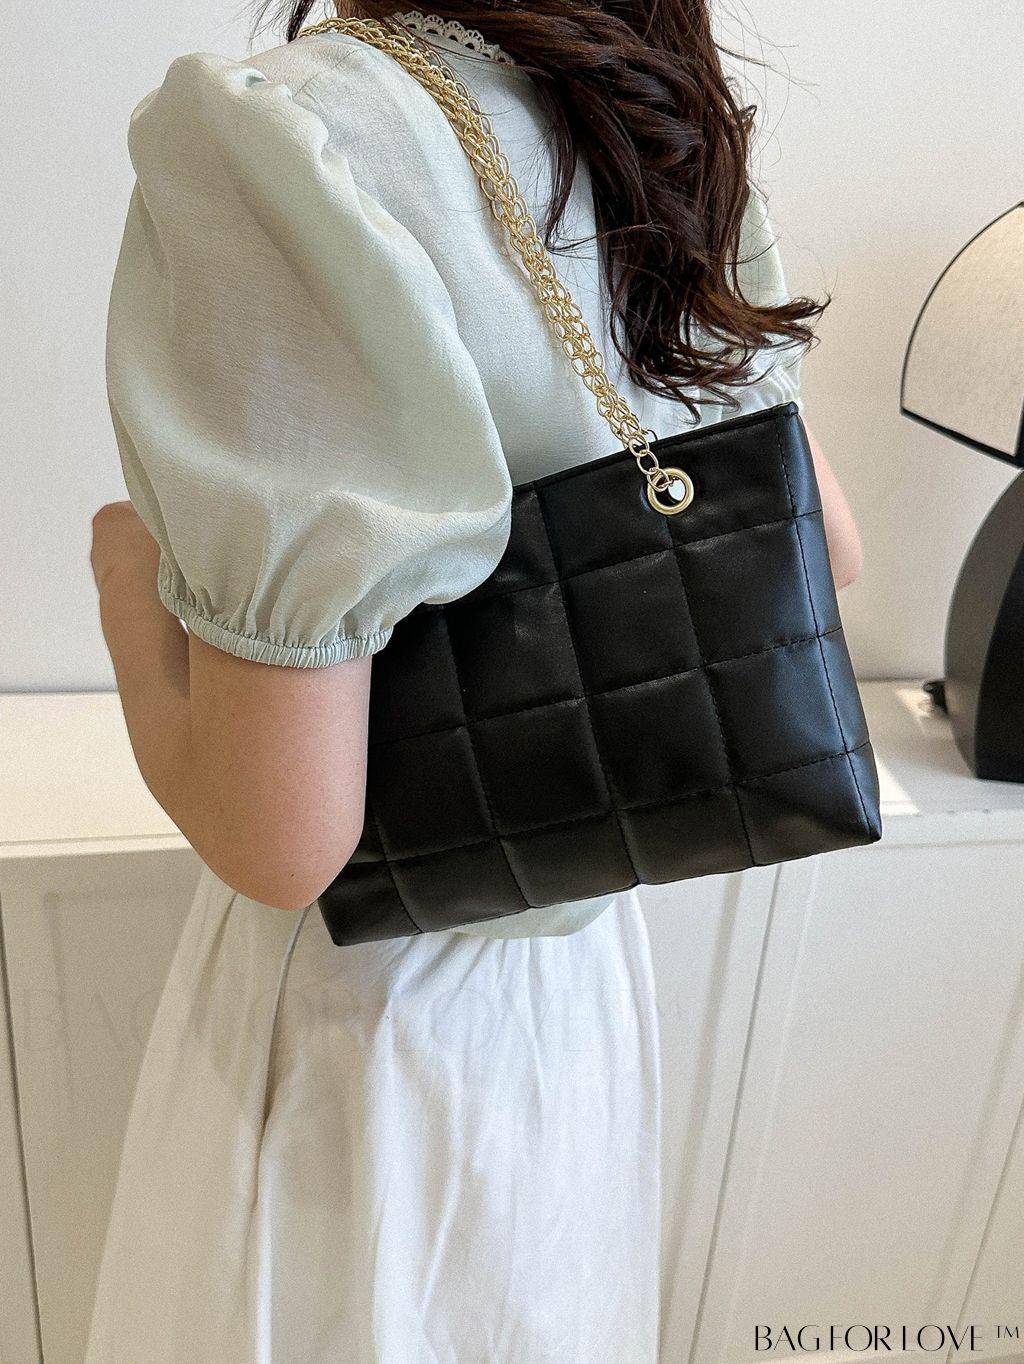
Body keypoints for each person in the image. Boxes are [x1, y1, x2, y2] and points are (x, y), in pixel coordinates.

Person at [86, 4, 863, 1360]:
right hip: (583, 987)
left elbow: (282, 839)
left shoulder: (288, 136)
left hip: (370, 1023)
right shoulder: (645, 109)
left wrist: (124, 587)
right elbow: (823, 554)